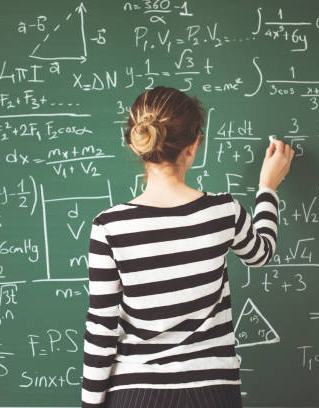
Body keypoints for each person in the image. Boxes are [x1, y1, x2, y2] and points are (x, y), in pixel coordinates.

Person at [81, 86, 294, 408]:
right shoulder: (223, 212)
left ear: (136, 144)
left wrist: (90, 405)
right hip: (212, 392)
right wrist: (268, 188)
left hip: (133, 393)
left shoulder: (110, 226)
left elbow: (102, 326)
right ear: (194, 146)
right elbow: (261, 253)